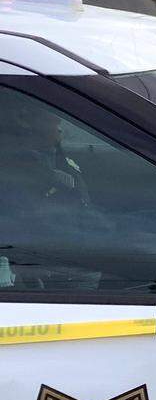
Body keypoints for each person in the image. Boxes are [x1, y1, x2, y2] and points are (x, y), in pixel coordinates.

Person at [0, 89, 101, 290]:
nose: (61, 129)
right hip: (59, 250)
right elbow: (32, 223)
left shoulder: (50, 155)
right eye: (55, 123)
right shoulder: (15, 170)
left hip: (81, 229)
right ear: (25, 121)